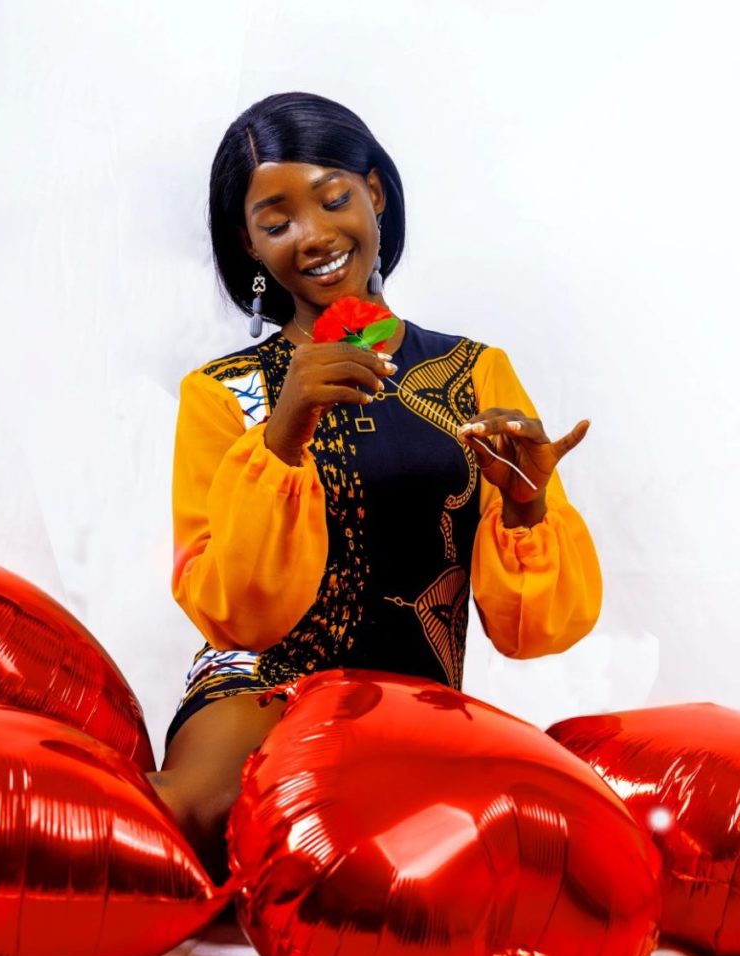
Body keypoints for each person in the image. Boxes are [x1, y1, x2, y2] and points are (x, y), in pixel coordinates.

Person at [147, 92, 602, 882]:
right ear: (248, 246)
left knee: (532, 857)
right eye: (276, 220)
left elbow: (533, 634)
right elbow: (236, 616)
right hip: (263, 692)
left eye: (332, 199)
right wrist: (283, 434)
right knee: (205, 819)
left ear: (374, 195)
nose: (315, 236)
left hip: (416, 709)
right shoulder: (222, 393)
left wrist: (525, 504)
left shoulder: (473, 372)